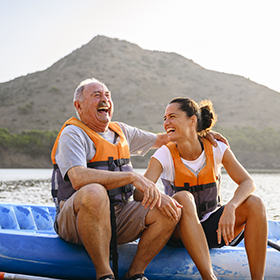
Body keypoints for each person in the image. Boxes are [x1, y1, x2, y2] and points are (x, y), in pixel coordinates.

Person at [143, 97, 268, 280]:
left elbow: (247, 182)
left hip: (212, 229)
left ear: (192, 120)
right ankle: (209, 277)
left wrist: (231, 206)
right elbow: (139, 193)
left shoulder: (216, 147)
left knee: (255, 203)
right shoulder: (164, 154)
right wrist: (161, 199)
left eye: (172, 116)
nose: (166, 122)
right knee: (184, 197)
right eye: (164, 118)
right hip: (177, 233)